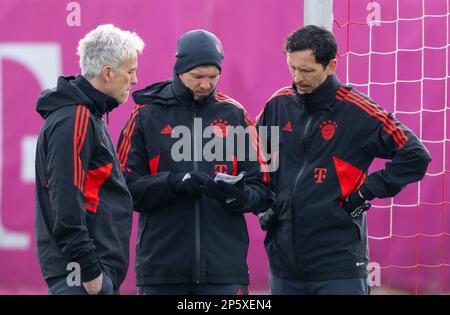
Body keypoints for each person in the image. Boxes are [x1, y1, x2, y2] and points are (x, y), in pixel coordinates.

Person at [256, 25, 431, 295]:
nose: (297, 78)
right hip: (283, 267)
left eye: (307, 70)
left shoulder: (358, 110)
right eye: (292, 67)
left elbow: (416, 155)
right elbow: (255, 159)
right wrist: (265, 206)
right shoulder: (278, 104)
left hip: (338, 267)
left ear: (331, 66)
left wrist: (365, 192)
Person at [117, 29, 268, 295]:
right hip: (161, 271)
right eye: (197, 77)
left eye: (213, 77)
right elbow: (124, 189)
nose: (206, 85)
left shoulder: (236, 115)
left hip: (224, 272)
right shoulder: (145, 115)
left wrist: (239, 196)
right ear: (178, 71)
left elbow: (263, 188)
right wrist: (174, 183)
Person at [35, 24, 144, 295]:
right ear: (108, 73)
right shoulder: (76, 117)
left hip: (82, 278)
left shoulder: (83, 114)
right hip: (81, 280)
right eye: (130, 71)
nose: (135, 80)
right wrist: (91, 273)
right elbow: (66, 199)